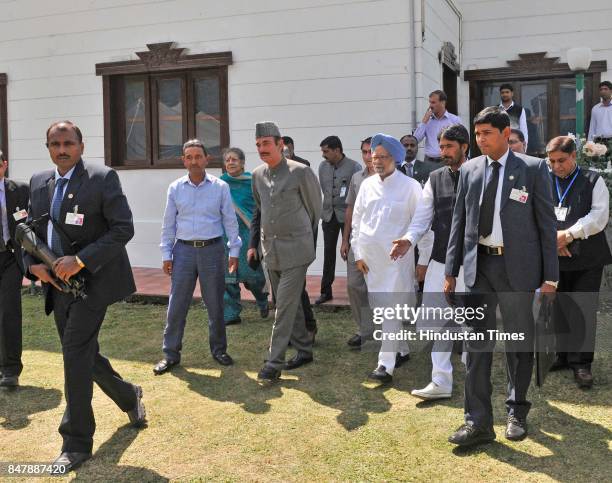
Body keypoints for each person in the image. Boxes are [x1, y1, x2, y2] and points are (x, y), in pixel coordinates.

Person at [25, 121, 145, 472]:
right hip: (57, 286)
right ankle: (128, 395)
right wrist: (33, 266)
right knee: (82, 353)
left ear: (81, 145)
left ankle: (76, 443)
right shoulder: (38, 182)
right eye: (55, 143)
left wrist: (80, 260)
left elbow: (123, 227)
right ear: (48, 146)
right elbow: (30, 230)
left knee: (74, 353)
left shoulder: (101, 178)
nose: (62, 149)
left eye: (68, 143)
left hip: (93, 283)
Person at [444, 107, 558, 447]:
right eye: (476, 134)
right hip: (479, 268)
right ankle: (477, 422)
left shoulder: (534, 169)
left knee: (519, 345)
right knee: (475, 346)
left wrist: (550, 276)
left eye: (486, 134)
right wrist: (451, 270)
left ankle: (516, 411)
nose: (479, 140)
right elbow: (458, 222)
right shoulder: (470, 169)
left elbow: (547, 227)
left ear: (505, 134)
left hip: (518, 269)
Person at [391, 124, 469, 400]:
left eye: (449, 147)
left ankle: (474, 377)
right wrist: (408, 240)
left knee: (471, 322)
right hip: (440, 261)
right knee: (437, 322)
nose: (443, 152)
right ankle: (440, 381)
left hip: (473, 263)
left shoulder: (480, 174)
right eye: (441, 146)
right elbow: (422, 218)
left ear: (464, 147)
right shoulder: (435, 179)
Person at [351, 133, 432, 384]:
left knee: (391, 310)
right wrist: (358, 254)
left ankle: (385, 366)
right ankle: (403, 349)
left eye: (382, 157)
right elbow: (357, 222)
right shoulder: (366, 185)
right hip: (371, 262)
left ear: (395, 159)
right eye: (374, 157)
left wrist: (423, 261)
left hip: (397, 261)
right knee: (382, 309)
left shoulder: (411, 187)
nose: (376, 161)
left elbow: (423, 225)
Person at [156, 139, 240, 375]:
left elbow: (230, 222)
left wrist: (234, 250)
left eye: (197, 156)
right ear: (184, 160)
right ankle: (170, 354)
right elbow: (168, 224)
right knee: (177, 305)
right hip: (182, 252)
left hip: (212, 250)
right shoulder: (175, 188)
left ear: (206, 159)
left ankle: (219, 350)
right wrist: (166, 253)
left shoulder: (220, 187)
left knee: (215, 304)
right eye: (189, 157)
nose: (193, 161)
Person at [251, 122, 322, 383]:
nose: (261, 149)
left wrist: (302, 239)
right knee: (288, 303)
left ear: (281, 144)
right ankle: (304, 349)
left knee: (282, 306)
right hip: (272, 250)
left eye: (266, 143)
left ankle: (274, 362)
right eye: (258, 144)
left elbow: (315, 211)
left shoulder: (301, 172)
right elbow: (261, 210)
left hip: (297, 251)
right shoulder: (257, 175)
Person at [547, 136, 612, 388]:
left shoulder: (593, 180)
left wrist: (568, 235)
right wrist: (555, 239)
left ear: (574, 156)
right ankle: (562, 355)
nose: (557, 166)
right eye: (552, 161)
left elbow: (599, 216)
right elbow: (538, 212)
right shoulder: (544, 179)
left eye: (562, 160)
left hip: (587, 256)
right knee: (558, 307)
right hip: (554, 254)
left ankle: (582, 363)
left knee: (582, 308)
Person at [220, 147, 269, 325]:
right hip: (226, 236)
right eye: (227, 160)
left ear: (242, 163)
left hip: (249, 233)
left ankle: (262, 300)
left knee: (253, 275)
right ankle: (231, 314)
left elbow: (261, 208)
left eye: (234, 159)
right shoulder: (220, 184)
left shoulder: (252, 182)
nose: (231, 163)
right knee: (228, 276)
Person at [316, 135, 361, 304]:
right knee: (328, 253)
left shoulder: (353, 167)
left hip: (347, 216)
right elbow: (324, 189)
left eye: (326, 151)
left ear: (337, 150)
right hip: (328, 215)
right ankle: (325, 291)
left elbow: (357, 193)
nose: (323, 154)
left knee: (351, 252)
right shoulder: (322, 167)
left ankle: (355, 289)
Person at [340, 137, 375, 349]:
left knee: (379, 290)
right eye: (364, 152)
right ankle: (364, 330)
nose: (368, 156)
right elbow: (350, 210)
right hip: (357, 241)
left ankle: (385, 332)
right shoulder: (356, 178)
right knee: (354, 285)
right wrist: (345, 240)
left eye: (371, 151)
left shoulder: (390, 177)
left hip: (380, 244)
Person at [0, 150, 29, 388]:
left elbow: (32, 221)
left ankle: (10, 369)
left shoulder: (20, 190)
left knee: (9, 311)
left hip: (11, 258)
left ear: (4, 165)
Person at [413, 90, 463, 163]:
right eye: (429, 102)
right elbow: (415, 140)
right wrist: (424, 122)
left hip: (447, 161)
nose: (430, 106)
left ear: (442, 103)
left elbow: (462, 141)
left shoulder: (455, 120)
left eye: (433, 102)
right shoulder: (427, 121)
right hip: (429, 161)